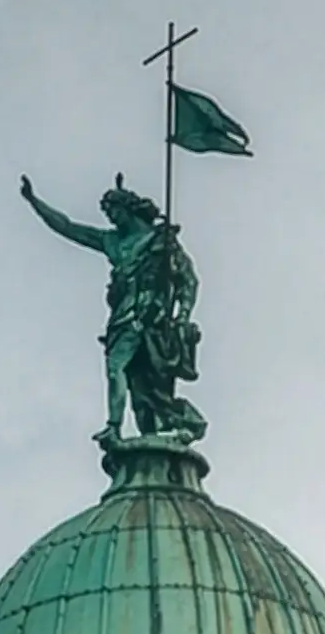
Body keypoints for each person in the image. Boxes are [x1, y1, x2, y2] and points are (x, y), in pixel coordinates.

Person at [20, 173, 206, 444]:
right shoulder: (113, 242)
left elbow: (188, 280)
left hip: (154, 321)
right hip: (123, 318)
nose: (110, 218)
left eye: (113, 211)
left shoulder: (162, 241)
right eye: (107, 213)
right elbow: (68, 227)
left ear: (128, 208)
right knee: (120, 370)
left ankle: (167, 424)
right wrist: (34, 201)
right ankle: (115, 426)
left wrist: (183, 316)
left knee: (153, 386)